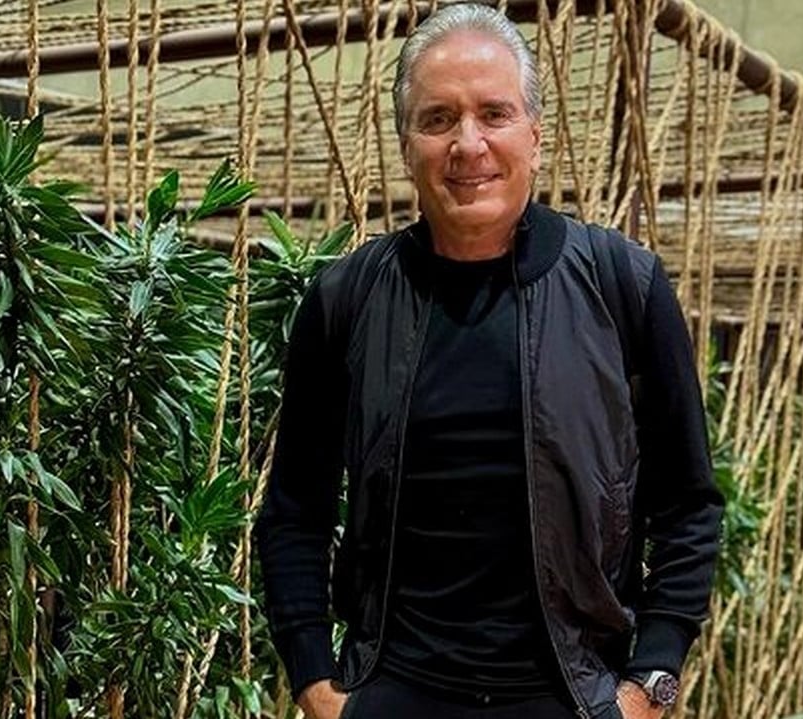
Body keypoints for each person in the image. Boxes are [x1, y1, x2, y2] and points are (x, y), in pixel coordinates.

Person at [256, 4, 723, 718]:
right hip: (392, 693)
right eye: (438, 119)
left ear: (534, 134)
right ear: (407, 145)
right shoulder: (348, 298)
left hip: (573, 696)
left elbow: (688, 504)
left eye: (494, 114)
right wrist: (317, 684)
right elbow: (295, 509)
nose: (468, 144)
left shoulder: (622, 286)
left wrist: (649, 683)